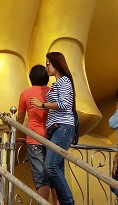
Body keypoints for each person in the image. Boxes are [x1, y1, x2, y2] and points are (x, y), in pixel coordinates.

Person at [30, 52, 76, 205]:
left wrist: (41, 105)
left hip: (62, 127)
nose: (46, 67)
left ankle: (68, 202)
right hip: (55, 128)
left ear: (56, 64)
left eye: (48, 63)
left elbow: (63, 104)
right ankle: (65, 202)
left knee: (50, 166)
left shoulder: (64, 81)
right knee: (57, 168)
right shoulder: (57, 83)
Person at [17, 65, 57, 204]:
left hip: (34, 139)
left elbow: (20, 119)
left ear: (31, 78)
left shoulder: (26, 93)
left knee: (42, 180)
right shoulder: (53, 92)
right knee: (56, 178)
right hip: (53, 139)